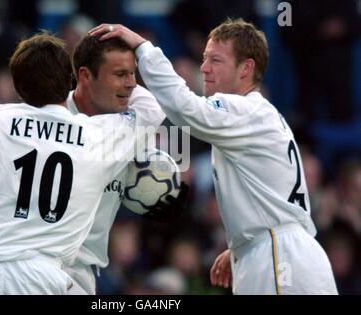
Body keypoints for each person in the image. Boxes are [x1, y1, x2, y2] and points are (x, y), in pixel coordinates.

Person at [89, 19, 338, 294]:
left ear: (246, 68)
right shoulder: (258, 115)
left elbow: (184, 108)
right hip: (282, 253)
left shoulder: (244, 111)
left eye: (215, 60)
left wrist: (144, 49)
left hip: (279, 259)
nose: (204, 68)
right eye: (204, 58)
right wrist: (242, 247)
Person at [0, 34, 187, 294]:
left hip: (64, 271)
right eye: (120, 74)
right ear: (82, 75)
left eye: (133, 74)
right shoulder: (104, 135)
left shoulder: (0, 120)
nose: (131, 84)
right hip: (42, 272)